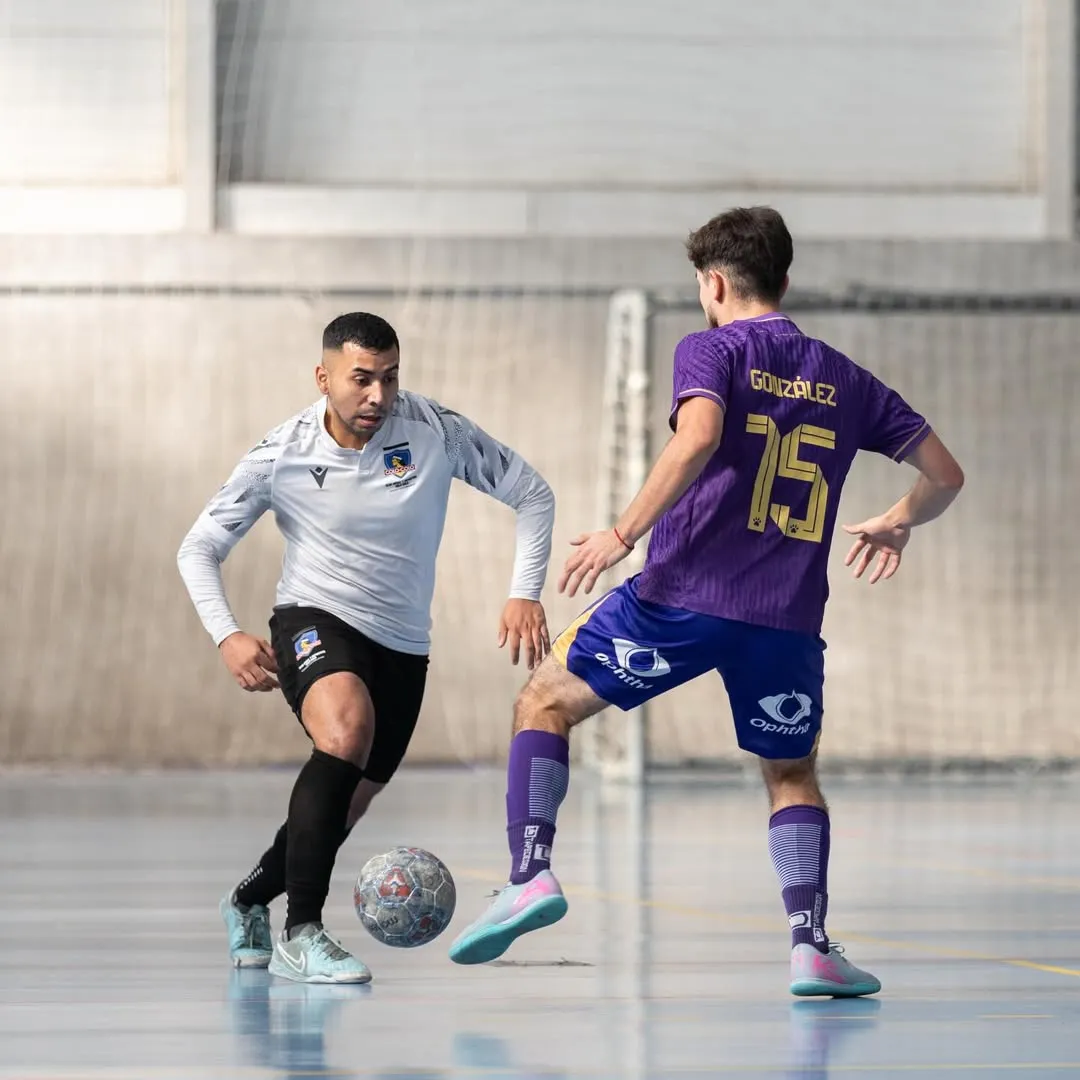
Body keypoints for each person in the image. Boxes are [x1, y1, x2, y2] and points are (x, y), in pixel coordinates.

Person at [448, 207, 964, 998]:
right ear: (785, 280)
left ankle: (530, 876)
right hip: (786, 623)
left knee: (543, 702)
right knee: (790, 773)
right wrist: (897, 522)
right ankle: (811, 948)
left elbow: (696, 437)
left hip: (681, 601)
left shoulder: (712, 348)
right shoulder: (846, 378)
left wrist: (621, 534)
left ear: (714, 283)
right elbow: (946, 474)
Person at [177, 312, 554, 984]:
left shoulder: (434, 430)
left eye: (389, 377)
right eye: (361, 379)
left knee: (349, 797)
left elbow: (531, 492)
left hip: (404, 644)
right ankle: (304, 933)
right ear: (323, 378)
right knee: (346, 733)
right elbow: (199, 546)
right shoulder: (281, 453)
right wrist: (227, 633)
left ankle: (249, 900)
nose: (379, 396)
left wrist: (524, 590)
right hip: (313, 617)